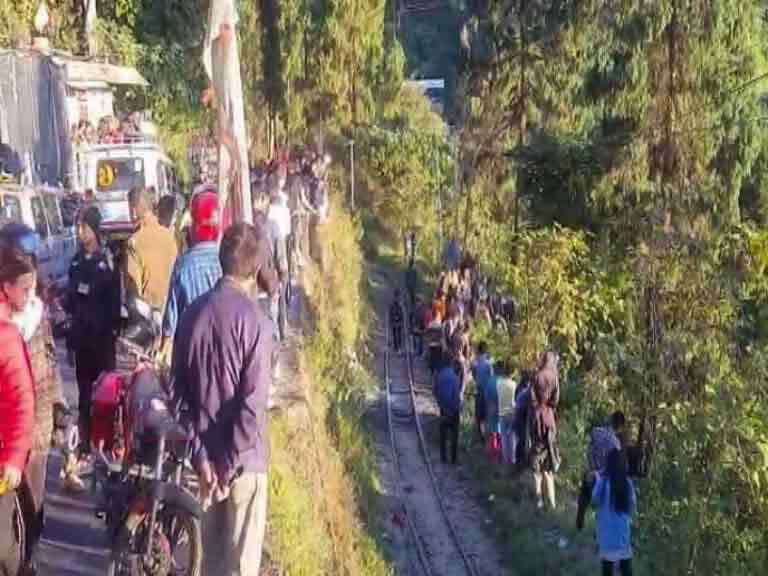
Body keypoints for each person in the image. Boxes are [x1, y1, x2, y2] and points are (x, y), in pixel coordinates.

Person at [171, 222, 273, 576]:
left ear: (220, 261)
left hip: (205, 467)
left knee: (209, 565)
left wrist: (202, 460)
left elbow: (179, 396)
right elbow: (251, 407)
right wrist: (227, 467)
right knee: (241, 568)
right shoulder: (257, 323)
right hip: (243, 466)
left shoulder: (191, 315)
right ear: (255, 269)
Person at [0, 225, 71, 574]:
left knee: (33, 514)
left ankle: (29, 563)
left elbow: (50, 360)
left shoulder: (38, 314)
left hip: (37, 433)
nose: (29, 292)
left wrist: (59, 409)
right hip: (6, 441)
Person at [63, 206, 121, 461]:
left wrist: (113, 332)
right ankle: (85, 446)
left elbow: (115, 304)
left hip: (102, 342)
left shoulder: (106, 262)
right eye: (78, 227)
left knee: (106, 397)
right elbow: (71, 301)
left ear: (94, 229)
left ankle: (106, 445)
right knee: (84, 396)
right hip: (81, 341)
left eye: (84, 227)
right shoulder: (76, 262)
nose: (79, 232)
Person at [0, 245, 36, 576]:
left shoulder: (9, 335)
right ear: (6, 286)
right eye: (24, 287)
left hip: (2, 463)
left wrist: (13, 457)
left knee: (5, 549)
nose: (30, 294)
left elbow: (22, 400)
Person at [161, 191, 223, 348]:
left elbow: (171, 322)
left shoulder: (183, 265)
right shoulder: (226, 261)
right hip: (221, 350)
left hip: (190, 350)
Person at [125, 187, 179, 313]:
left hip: (148, 315)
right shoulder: (170, 237)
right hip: (170, 312)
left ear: (133, 210)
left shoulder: (135, 242)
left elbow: (134, 287)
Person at [577, 411, 625, 531]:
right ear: (620, 427)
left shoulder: (596, 432)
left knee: (583, 501)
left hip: (589, 472)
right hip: (601, 479)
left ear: (610, 420)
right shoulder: (616, 445)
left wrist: (589, 466)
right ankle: (599, 533)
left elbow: (589, 449)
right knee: (601, 508)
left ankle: (579, 526)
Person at [592, 449, 637, 576]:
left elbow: (594, 501)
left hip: (606, 536)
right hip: (622, 535)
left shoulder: (604, 481)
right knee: (626, 567)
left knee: (607, 569)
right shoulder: (627, 483)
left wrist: (597, 479)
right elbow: (632, 506)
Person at [528, 351, 561, 510]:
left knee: (536, 466)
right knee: (549, 464)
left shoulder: (537, 376)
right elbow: (556, 400)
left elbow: (532, 399)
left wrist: (537, 408)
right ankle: (553, 504)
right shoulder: (554, 377)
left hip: (537, 420)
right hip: (550, 420)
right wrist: (549, 409)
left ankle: (539, 501)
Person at [434, 354, 464, 464]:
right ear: (451, 363)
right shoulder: (454, 377)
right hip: (453, 409)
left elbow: (435, 390)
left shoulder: (439, 375)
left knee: (443, 432)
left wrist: (440, 403)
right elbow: (456, 395)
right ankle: (453, 459)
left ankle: (443, 457)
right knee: (454, 435)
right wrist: (458, 407)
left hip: (443, 408)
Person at [471, 342, 493, 443]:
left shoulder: (475, 363)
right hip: (487, 392)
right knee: (487, 414)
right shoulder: (489, 364)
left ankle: (481, 435)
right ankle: (488, 436)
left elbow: (474, 377)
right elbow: (492, 378)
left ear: (479, 351)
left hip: (479, 391)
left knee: (479, 415)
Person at [389, 290, 404, 354]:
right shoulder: (394, 305)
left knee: (398, 334)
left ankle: (398, 347)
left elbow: (402, 313)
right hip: (395, 321)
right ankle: (396, 347)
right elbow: (391, 313)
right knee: (395, 334)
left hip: (398, 321)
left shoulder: (399, 304)